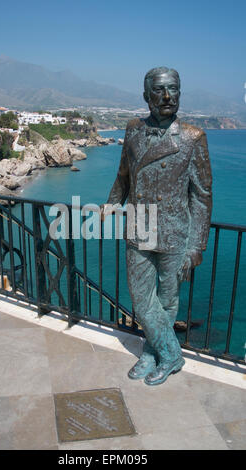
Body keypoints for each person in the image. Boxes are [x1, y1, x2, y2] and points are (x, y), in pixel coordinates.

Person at [102, 66, 212, 386]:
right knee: (141, 299)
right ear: (146, 96)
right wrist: (109, 205)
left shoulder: (193, 137)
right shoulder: (133, 129)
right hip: (138, 227)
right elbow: (124, 175)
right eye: (160, 90)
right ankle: (172, 353)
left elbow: (202, 197)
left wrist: (196, 246)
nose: (167, 97)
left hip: (175, 232)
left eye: (173, 89)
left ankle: (154, 353)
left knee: (166, 302)